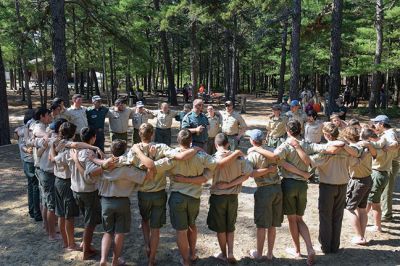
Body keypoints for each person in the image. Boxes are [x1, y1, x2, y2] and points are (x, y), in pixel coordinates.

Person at [155, 129, 243, 266]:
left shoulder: (172, 156)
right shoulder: (201, 155)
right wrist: (236, 153)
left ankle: (185, 261)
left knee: (181, 230)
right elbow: (217, 164)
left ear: (178, 141)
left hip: (177, 197)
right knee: (192, 226)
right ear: (191, 141)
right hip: (194, 198)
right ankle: (193, 254)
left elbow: (153, 167)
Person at [292, 122, 359, 254]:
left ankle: (325, 246)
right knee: (337, 216)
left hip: (328, 186)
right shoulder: (346, 149)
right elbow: (355, 162)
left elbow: (309, 161)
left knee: (325, 217)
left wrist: (298, 148)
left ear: (327, 135)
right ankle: (335, 246)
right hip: (343, 185)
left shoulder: (326, 150)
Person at [95, 140, 152, 266]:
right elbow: (147, 176)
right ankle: (115, 261)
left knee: (107, 232)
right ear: (125, 152)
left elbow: (92, 173)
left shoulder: (103, 166)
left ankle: (103, 259)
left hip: (105, 201)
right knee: (119, 233)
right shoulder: (128, 169)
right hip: (122, 202)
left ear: (111, 151)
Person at [207, 133, 253, 263]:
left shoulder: (213, 158)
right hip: (233, 197)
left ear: (216, 145)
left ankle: (223, 253)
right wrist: (230, 185)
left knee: (221, 228)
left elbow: (206, 175)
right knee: (230, 226)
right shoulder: (239, 158)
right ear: (228, 144)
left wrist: (223, 185)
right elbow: (247, 174)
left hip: (218, 198)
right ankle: (231, 252)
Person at [246, 129, 282, 261]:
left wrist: (266, 170)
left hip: (264, 190)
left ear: (252, 141)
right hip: (277, 189)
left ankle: (259, 254)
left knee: (262, 225)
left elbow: (251, 173)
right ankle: (270, 253)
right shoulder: (272, 150)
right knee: (272, 224)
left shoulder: (252, 155)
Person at [341, 127, 375, 245]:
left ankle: (359, 237)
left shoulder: (353, 149)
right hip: (368, 179)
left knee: (349, 208)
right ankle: (362, 235)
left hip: (358, 181)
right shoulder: (365, 146)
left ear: (346, 137)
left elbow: (354, 161)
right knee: (362, 209)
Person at [370, 115, 399, 222]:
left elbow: (395, 144)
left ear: (381, 124)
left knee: (386, 190)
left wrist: (387, 148)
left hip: (391, 163)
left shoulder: (389, 133)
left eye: (376, 123)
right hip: (390, 162)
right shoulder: (389, 132)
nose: (375, 125)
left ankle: (387, 215)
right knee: (385, 189)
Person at [15, 110, 42, 221]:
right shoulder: (28, 129)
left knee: (31, 186)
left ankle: (32, 211)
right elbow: (24, 145)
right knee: (35, 187)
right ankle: (36, 213)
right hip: (30, 161)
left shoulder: (21, 129)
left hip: (26, 160)